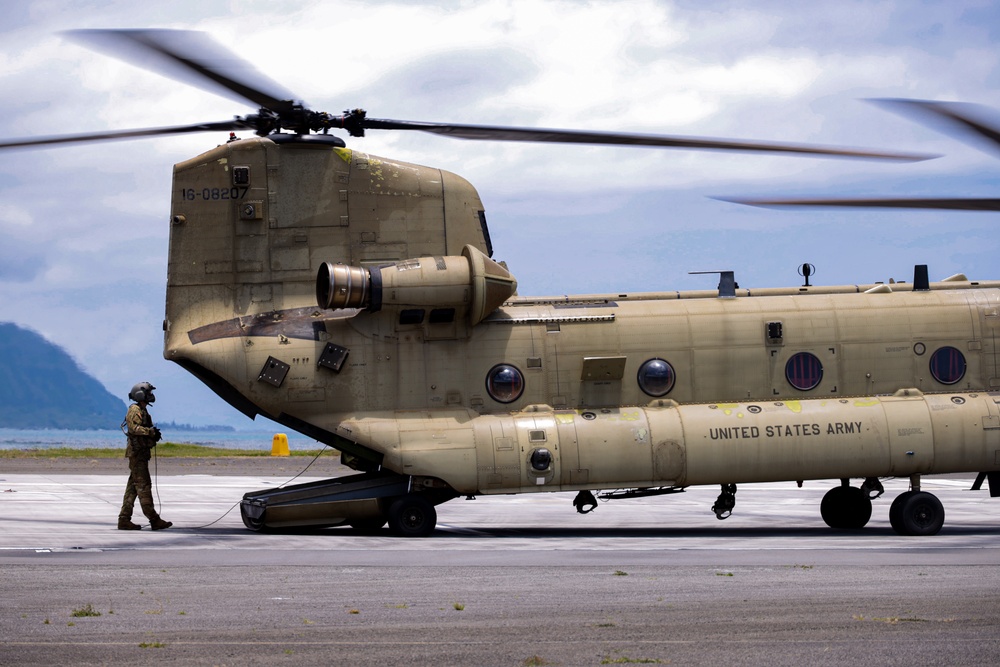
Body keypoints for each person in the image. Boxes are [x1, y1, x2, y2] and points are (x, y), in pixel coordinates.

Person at [118, 381, 172, 531]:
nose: (151, 396)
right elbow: (134, 428)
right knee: (144, 486)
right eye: (148, 393)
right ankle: (154, 519)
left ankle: (124, 519)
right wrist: (150, 432)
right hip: (137, 454)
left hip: (141, 454)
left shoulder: (142, 410)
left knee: (133, 488)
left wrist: (151, 435)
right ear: (141, 394)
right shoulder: (135, 410)